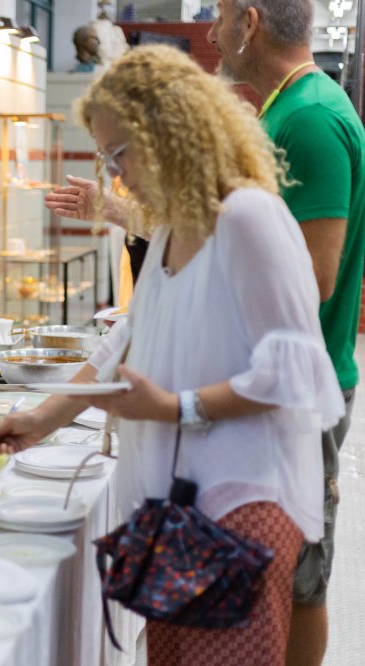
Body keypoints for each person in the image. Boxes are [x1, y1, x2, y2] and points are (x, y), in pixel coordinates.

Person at [0, 45, 345, 664]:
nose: (115, 174)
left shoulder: (249, 217)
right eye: (106, 157)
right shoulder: (177, 226)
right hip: (180, 509)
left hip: (242, 508)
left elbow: (296, 368)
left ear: (170, 133)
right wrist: (45, 417)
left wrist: (176, 407)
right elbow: (125, 338)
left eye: (119, 153)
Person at [207, 2, 365, 663]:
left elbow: (316, 278)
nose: (212, 33)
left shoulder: (310, 119)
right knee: (271, 573)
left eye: (218, 16)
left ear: (248, 21)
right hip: (272, 385)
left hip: (302, 393)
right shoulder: (285, 110)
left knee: (301, 580)